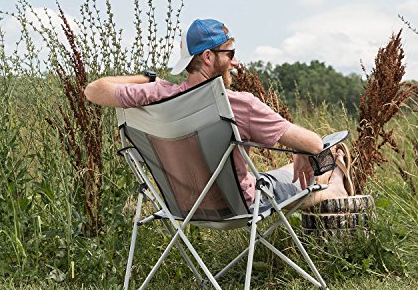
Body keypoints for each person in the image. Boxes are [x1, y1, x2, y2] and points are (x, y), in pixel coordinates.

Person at [84, 18, 354, 210]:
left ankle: (331, 179)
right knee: (318, 172)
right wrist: (300, 150)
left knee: (281, 172)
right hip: (240, 204)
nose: (236, 62)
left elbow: (94, 90)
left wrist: (147, 79)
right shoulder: (238, 105)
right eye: (230, 53)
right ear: (209, 57)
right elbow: (315, 143)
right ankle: (336, 185)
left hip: (184, 208)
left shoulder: (159, 95)